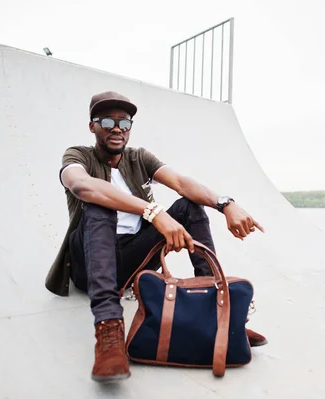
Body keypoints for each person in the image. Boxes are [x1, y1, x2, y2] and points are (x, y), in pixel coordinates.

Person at [45, 91, 267, 383]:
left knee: (189, 206)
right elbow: (83, 186)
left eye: (124, 123)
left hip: (134, 260)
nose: (116, 128)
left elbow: (180, 183)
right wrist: (154, 211)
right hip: (90, 261)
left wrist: (226, 203)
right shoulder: (78, 155)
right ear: (92, 126)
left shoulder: (139, 158)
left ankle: (219, 315)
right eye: (108, 121)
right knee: (99, 206)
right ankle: (109, 330)